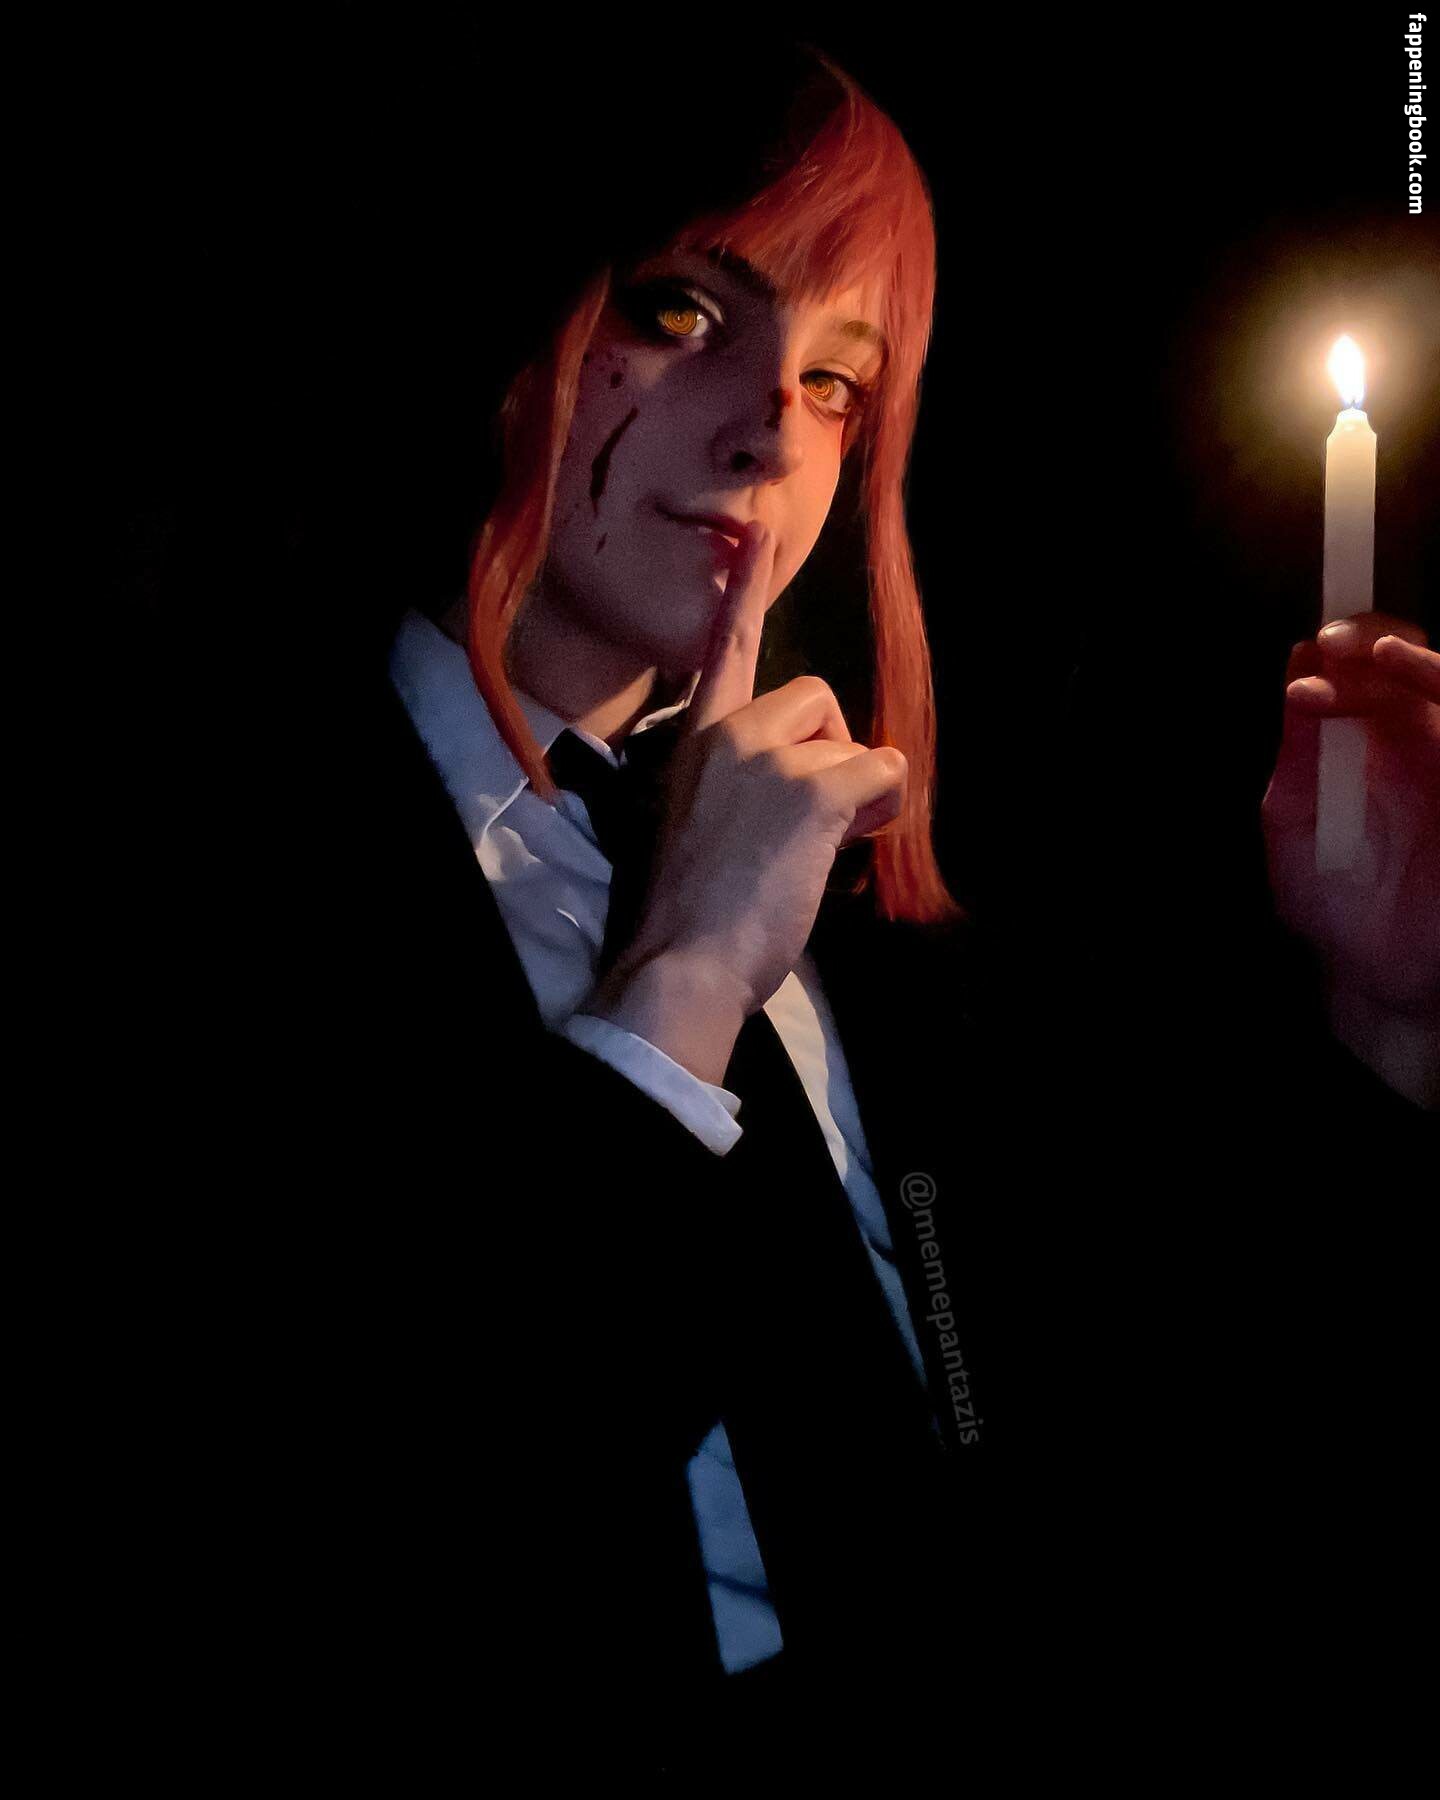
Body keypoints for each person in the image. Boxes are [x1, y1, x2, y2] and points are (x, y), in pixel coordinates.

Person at [108, 19, 1436, 1785]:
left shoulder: (884, 884)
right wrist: (685, 980)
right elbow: (399, 1524)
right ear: (506, 297)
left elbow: (1179, 1419)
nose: (766, 436)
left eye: (834, 381)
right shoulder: (208, 857)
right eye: (683, 312)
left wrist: (1387, 1014)